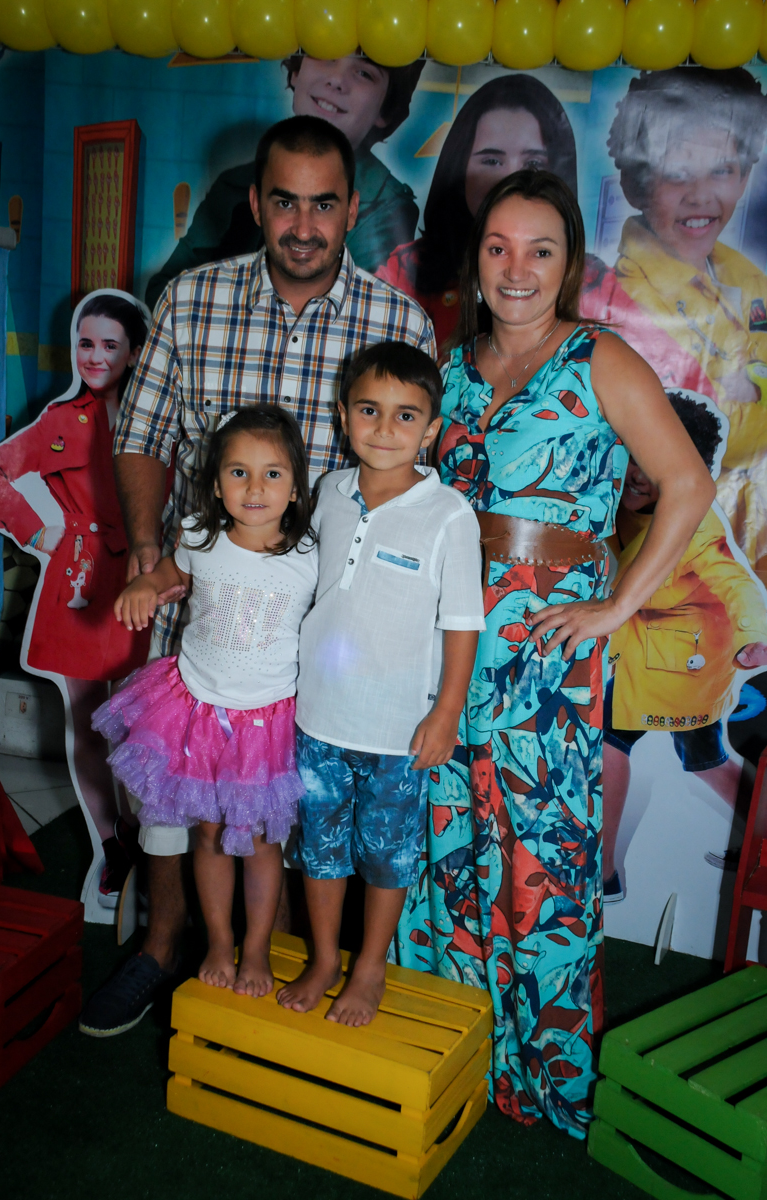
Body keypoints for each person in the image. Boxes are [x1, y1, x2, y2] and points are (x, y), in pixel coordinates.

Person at [78, 114, 434, 1038]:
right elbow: (143, 434)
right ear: (255, 203)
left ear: (354, 209)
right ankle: (164, 947)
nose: (305, 225)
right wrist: (153, 555)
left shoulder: (396, 321)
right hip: (200, 607)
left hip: (318, 641)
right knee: (174, 801)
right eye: (286, 202)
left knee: (288, 815)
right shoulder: (192, 301)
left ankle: (287, 959)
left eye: (325, 204)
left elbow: (415, 484)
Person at [395, 169, 716, 1137]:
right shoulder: (448, 370)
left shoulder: (598, 358)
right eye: (498, 247)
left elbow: (686, 485)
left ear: (568, 262)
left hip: (544, 654)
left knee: (542, 864)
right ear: (475, 256)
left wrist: (615, 607)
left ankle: (539, 1077)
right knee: (444, 846)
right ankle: (448, 1046)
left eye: (539, 249)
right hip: (445, 643)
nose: (516, 268)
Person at [276, 341, 484, 1025]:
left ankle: (370, 968)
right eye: (369, 411)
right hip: (318, 718)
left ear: (429, 430)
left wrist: (446, 710)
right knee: (321, 846)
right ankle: (326, 958)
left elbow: (461, 621)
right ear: (343, 415)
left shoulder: (448, 513)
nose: (385, 430)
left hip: (398, 728)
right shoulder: (329, 491)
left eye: (405, 417)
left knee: (385, 853)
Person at [90, 409, 317, 997]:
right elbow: (168, 575)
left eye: (273, 474)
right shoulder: (200, 536)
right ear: (216, 484)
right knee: (210, 836)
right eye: (238, 472)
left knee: (263, 848)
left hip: (267, 725)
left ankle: (257, 951)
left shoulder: (311, 554)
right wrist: (144, 584)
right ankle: (218, 940)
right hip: (195, 710)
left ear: (296, 487)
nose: (255, 488)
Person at [0, 292, 150, 911]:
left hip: (141, 577)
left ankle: (147, 839)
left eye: (111, 344)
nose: (97, 356)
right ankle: (112, 845)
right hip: (77, 584)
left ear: (135, 351)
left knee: (139, 723)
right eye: (86, 342)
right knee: (85, 723)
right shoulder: (59, 418)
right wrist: (37, 530)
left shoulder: (156, 415)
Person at [581, 67, 767, 587]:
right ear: (636, 182)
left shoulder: (750, 280)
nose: (700, 195)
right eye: (678, 173)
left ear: (746, 175)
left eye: (722, 170)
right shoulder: (604, 301)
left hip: (748, 556)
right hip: (652, 564)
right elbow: (723, 436)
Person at [602, 391, 767, 902]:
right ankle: (763, 843)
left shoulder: (696, 519)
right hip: (656, 653)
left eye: (655, 463)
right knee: (707, 759)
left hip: (685, 660)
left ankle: (602, 874)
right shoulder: (615, 504)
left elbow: (735, 580)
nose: (637, 473)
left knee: (612, 739)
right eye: (633, 452)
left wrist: (756, 635)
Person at [145, 55, 424, 309]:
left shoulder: (387, 204)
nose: (337, 81)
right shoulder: (235, 184)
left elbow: (363, 315)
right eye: (326, 56)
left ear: (385, 109)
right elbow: (164, 293)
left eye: (364, 73)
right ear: (296, 71)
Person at [377, 74, 577, 348]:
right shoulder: (402, 275)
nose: (511, 179)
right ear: (459, 167)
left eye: (532, 163)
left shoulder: (598, 291)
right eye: (492, 160)